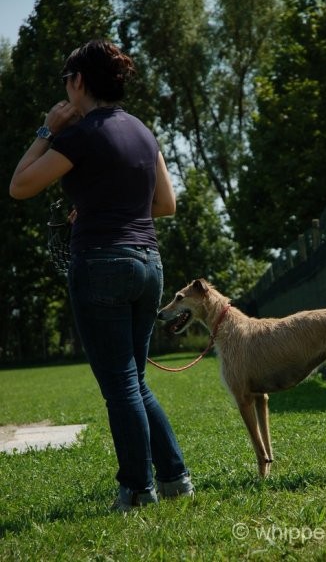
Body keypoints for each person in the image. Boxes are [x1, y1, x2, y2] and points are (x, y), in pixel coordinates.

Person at [9, 39, 194, 511]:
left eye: (65, 81)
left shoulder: (78, 134)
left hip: (102, 264)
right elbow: (165, 206)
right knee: (134, 380)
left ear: (77, 81)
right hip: (148, 263)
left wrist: (46, 130)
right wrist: (93, 204)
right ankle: (175, 478)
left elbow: (20, 185)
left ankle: (136, 488)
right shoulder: (144, 131)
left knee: (120, 386)